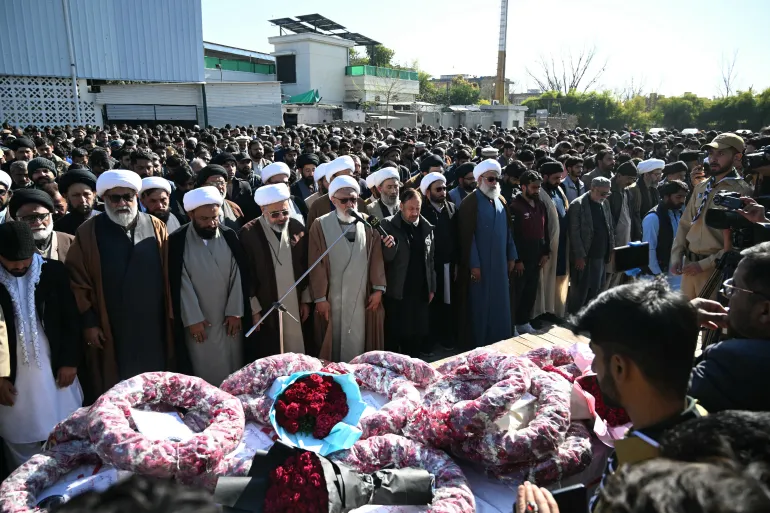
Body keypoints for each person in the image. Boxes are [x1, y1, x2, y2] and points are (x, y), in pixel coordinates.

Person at [571, 279, 702, 511]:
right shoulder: (704, 421)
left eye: (596, 356)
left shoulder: (638, 486)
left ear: (619, 367)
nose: (593, 367)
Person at [66, 170, 173, 399]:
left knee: (155, 379)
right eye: (115, 198)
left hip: (153, 322)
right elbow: (78, 282)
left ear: (137, 197)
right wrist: (90, 322)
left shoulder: (156, 225)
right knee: (118, 385)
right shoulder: (88, 232)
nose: (122, 203)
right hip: (112, 323)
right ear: (104, 199)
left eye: (128, 197)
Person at [0, 222, 82, 469]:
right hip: (12, 376)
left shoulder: (52, 271)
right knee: (19, 436)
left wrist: (70, 361)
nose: (19, 266)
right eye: (11, 261)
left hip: (53, 368)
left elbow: (71, 319)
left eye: (24, 260)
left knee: (64, 429)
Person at [168, 187, 248, 385]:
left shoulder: (229, 235)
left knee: (233, 365)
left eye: (215, 217)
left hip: (229, 318)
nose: (211, 223)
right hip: (199, 319)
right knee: (204, 366)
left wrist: (235, 311)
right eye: (204, 219)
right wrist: (193, 319)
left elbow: (238, 274)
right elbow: (180, 282)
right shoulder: (178, 240)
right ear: (190, 215)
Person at [308, 175, 388, 362]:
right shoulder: (320, 225)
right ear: (333, 200)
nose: (350, 205)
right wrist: (320, 298)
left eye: (353, 200)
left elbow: (376, 258)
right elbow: (316, 265)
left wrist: (378, 289)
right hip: (332, 296)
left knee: (358, 343)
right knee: (333, 346)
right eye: (344, 201)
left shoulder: (368, 223)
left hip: (360, 296)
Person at [689, 242, 770, 412]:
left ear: (764, 310)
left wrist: (682, 321)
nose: (726, 296)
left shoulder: (727, 361)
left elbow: (662, 392)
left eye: (734, 288)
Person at [670, 133, 753, 299]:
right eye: (711, 153)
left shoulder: (742, 191)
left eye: (721, 154)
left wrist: (703, 265)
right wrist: (676, 255)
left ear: (737, 157)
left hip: (715, 270)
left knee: (708, 314)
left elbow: (737, 242)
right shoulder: (701, 186)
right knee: (685, 313)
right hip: (689, 267)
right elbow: (685, 223)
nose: (713, 159)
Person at [239, 183, 312, 359]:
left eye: (285, 212)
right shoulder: (248, 233)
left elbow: (306, 266)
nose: (281, 218)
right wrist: (254, 310)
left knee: (297, 352)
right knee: (271, 352)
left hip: (295, 302)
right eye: (275, 214)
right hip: (265, 304)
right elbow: (246, 275)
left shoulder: (297, 228)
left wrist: (305, 300)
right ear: (262, 210)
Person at [456, 159, 518, 348]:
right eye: (491, 179)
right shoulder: (470, 203)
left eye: (496, 179)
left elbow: (508, 232)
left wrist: (512, 255)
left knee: (500, 303)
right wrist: (474, 264)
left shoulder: (500, 200)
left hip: (500, 265)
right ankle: (480, 342)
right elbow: (468, 238)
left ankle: (501, 340)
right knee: (481, 305)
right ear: (480, 180)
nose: (494, 183)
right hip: (481, 266)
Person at [380, 189, 435, 357]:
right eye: (411, 209)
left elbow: (430, 260)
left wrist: (431, 288)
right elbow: (384, 259)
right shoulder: (388, 225)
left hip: (420, 290)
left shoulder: (426, 227)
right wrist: (390, 247)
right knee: (396, 335)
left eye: (418, 208)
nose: (415, 213)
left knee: (416, 335)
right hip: (397, 291)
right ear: (401, 206)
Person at [420, 172, 458, 351]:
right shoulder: (422, 211)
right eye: (438, 189)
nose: (443, 192)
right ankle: (429, 342)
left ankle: (446, 337)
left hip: (448, 265)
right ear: (428, 192)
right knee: (430, 304)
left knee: (447, 303)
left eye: (444, 188)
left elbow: (457, 237)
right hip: (429, 267)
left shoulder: (451, 208)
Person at [509, 170, 549, 334]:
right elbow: (513, 236)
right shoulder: (515, 207)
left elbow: (545, 229)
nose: (536, 190)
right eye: (533, 187)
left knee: (531, 291)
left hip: (537, 256)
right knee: (518, 292)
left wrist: (546, 252)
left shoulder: (540, 205)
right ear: (523, 187)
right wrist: (517, 260)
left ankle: (523, 322)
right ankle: (512, 325)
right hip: (522, 258)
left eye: (538, 187)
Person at [567, 177, 614, 313]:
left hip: (600, 253)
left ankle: (589, 316)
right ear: (593, 189)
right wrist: (579, 256)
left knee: (596, 288)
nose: (605, 197)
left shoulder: (604, 203)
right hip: (585, 256)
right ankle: (575, 317)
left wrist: (610, 249)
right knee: (580, 290)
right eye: (602, 193)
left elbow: (609, 227)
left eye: (607, 194)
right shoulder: (578, 205)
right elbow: (574, 233)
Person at [533, 162, 570, 319]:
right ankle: (541, 313)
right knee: (544, 280)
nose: (558, 181)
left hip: (561, 243)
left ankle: (553, 310)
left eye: (560, 178)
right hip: (547, 245)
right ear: (545, 177)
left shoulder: (559, 190)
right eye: (555, 178)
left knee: (558, 277)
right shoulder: (539, 194)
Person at [642, 180, 688, 289]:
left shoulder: (680, 213)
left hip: (676, 272)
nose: (682, 201)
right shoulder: (653, 218)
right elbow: (649, 250)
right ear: (666, 197)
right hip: (658, 276)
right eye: (678, 197)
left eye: (684, 197)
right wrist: (659, 276)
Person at [8, 189, 74, 262]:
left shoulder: (71, 242)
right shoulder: (7, 246)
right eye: (29, 218)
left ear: (51, 215)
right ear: (16, 220)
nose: (38, 223)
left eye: (43, 216)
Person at [306, 156, 368, 229]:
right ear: (332, 179)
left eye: (350, 177)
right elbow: (311, 233)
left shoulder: (360, 203)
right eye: (343, 178)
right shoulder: (318, 206)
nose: (348, 181)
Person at [195, 164, 245, 231]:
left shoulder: (234, 208)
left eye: (222, 183)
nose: (219, 187)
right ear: (201, 186)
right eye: (213, 184)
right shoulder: (194, 210)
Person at [54, 170, 100, 236]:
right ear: (66, 197)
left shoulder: (106, 221)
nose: (82, 200)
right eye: (76, 195)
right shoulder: (60, 227)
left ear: (94, 194)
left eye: (86, 194)